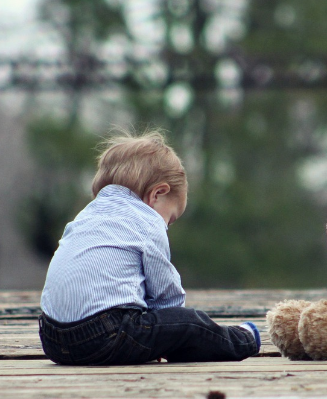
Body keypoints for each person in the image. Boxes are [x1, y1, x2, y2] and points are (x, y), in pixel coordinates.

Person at [38, 130, 260, 365]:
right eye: (171, 219)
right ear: (157, 194)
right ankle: (244, 339)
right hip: (104, 336)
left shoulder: (86, 215)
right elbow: (166, 296)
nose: (167, 226)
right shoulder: (147, 220)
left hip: (52, 339)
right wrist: (172, 330)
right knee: (192, 324)